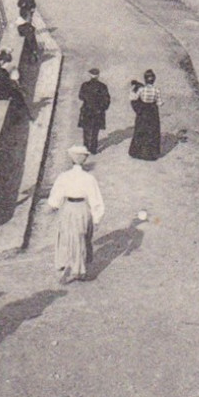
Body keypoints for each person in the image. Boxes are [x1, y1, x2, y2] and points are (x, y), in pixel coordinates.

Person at [47, 145, 105, 284]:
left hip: (68, 208)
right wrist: (97, 218)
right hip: (83, 209)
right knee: (81, 237)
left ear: (71, 160)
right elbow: (96, 200)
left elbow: (56, 196)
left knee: (67, 237)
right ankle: (78, 268)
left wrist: (53, 206)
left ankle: (69, 265)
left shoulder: (64, 176)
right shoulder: (89, 178)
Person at [129, 70, 162, 160]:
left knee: (140, 130)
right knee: (152, 131)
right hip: (152, 112)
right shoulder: (156, 90)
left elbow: (133, 98)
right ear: (154, 80)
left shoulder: (141, 89)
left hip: (143, 110)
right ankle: (150, 154)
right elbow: (159, 102)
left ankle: (137, 152)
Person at [77, 67, 111, 154]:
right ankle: (93, 149)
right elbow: (107, 100)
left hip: (87, 109)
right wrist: (102, 108)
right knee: (95, 130)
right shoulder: (103, 86)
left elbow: (80, 96)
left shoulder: (84, 85)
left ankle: (86, 146)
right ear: (98, 75)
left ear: (90, 75)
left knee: (86, 129)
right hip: (98, 111)